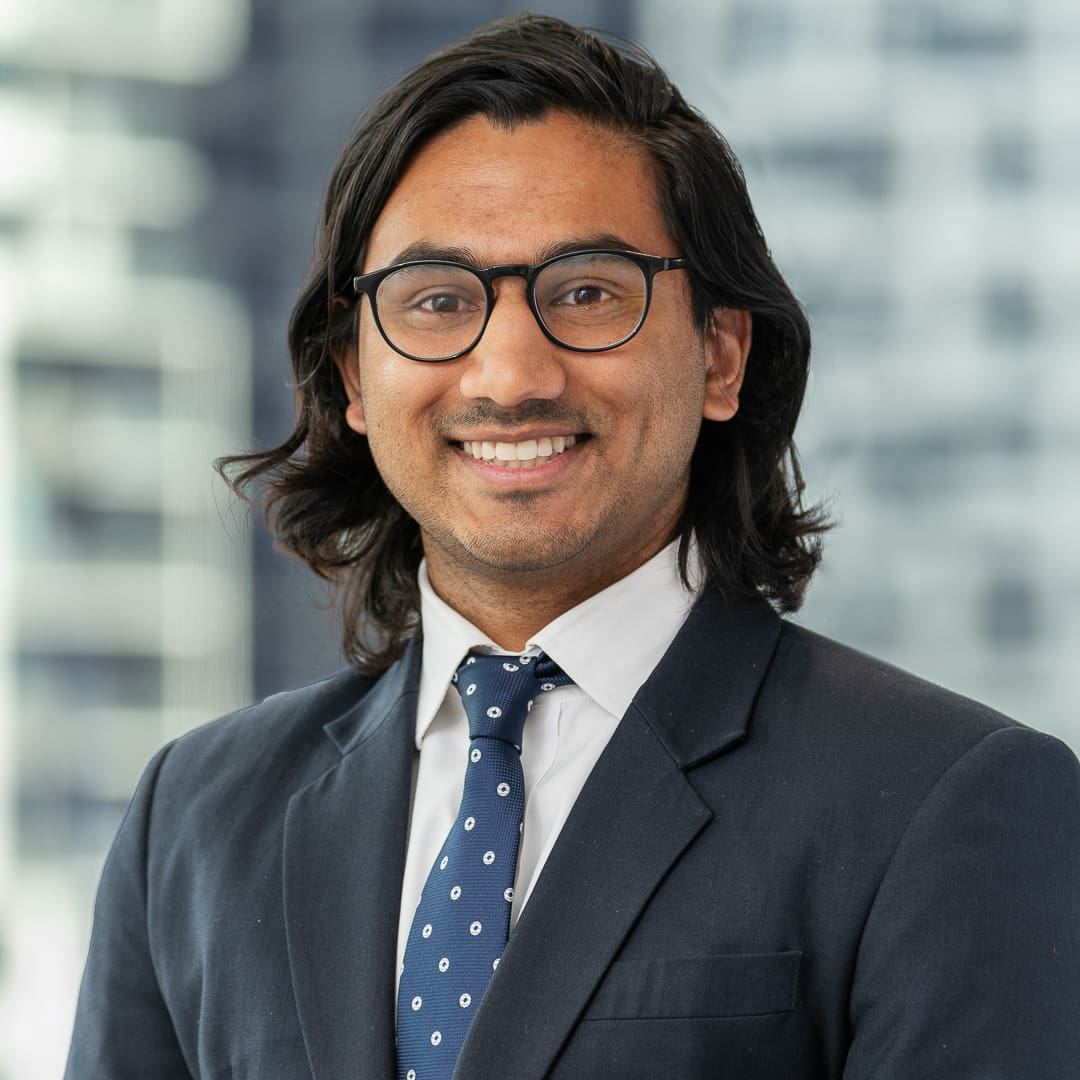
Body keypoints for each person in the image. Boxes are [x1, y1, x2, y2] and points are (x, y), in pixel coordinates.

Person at [65, 14, 1079, 1080]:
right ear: (356, 378)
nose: (509, 375)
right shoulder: (196, 817)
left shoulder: (954, 801)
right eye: (439, 300)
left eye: (588, 292)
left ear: (721, 356)